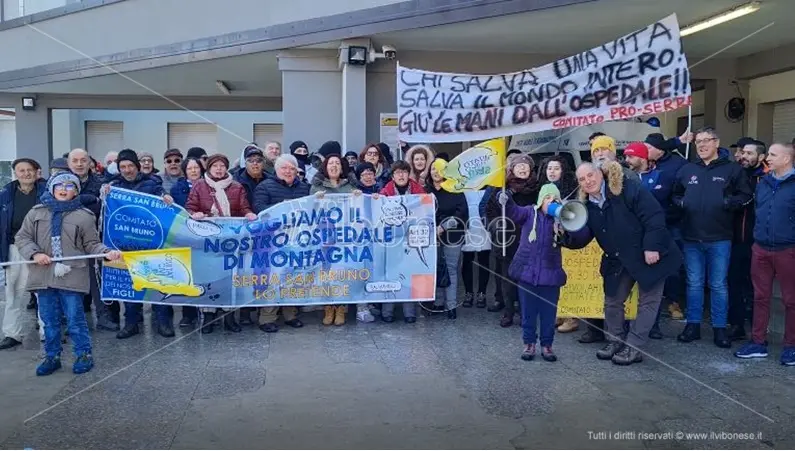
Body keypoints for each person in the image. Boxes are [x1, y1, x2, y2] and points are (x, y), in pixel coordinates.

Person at [15, 172, 122, 375]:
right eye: (59, 186)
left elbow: (91, 244)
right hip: (43, 274)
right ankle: (52, 356)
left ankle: (83, 354)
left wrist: (106, 253)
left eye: (70, 186)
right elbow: (23, 237)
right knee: (49, 320)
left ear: (76, 191)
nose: (64, 189)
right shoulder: (36, 212)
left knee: (75, 319)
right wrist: (35, 253)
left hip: (72, 274)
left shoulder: (84, 215)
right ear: (52, 189)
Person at [576, 161, 682, 365]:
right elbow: (583, 237)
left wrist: (652, 246)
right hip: (618, 258)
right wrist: (565, 233)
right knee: (612, 301)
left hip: (649, 254)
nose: (588, 181)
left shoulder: (627, 189)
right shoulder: (587, 206)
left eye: (590, 175)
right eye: (582, 179)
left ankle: (634, 347)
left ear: (600, 174)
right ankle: (615, 341)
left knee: (648, 302)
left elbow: (654, 215)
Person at [672, 127, 752, 348]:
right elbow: (675, 194)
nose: (702, 145)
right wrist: (682, 203)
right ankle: (693, 326)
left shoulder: (732, 169)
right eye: (698, 142)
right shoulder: (687, 169)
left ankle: (719, 329)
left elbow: (746, 195)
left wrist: (727, 203)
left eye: (707, 141)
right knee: (694, 283)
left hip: (720, 237)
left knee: (718, 285)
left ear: (717, 143)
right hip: (691, 237)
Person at [499, 183, 590, 362]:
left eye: (555, 199)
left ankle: (547, 345)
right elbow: (512, 211)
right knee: (528, 312)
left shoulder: (560, 220)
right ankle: (529, 344)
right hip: (527, 274)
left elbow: (580, 236)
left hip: (550, 275)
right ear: (541, 200)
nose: (551, 202)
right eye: (548, 198)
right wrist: (505, 199)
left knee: (549, 314)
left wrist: (566, 226)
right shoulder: (529, 213)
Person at [104, 149, 175, 339]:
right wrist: (105, 194)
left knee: (159, 282)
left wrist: (165, 197)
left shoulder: (152, 184)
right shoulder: (113, 186)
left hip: (152, 242)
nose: (127, 170)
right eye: (123, 167)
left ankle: (163, 322)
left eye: (130, 166)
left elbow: (161, 196)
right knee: (130, 285)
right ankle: (131, 323)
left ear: (137, 166)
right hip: (126, 244)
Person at [734, 143, 795, 365]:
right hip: (760, 248)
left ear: (786, 159)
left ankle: (791, 346)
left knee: (791, 300)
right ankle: (758, 342)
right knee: (760, 297)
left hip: (788, 249)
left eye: (772, 154)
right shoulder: (764, 183)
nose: (767, 157)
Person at [186, 154, 257, 334]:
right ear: (209, 168)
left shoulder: (237, 187)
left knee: (229, 277)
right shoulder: (199, 186)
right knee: (209, 277)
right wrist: (195, 214)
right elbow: (190, 208)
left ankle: (229, 316)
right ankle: (208, 316)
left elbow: (244, 208)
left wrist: (248, 214)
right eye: (215, 165)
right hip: (207, 242)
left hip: (230, 241)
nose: (219, 169)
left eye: (222, 165)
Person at [253, 154, 310, 333]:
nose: (288, 171)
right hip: (273, 241)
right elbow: (259, 208)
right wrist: (281, 209)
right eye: (284, 168)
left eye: (292, 168)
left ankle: (290, 314)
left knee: (293, 277)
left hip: (297, 240)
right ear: (276, 170)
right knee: (274, 279)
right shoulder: (265, 186)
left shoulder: (304, 188)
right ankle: (267, 317)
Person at [484, 154, 540, 327]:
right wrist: (497, 226)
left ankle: (525, 314)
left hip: (529, 242)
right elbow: (489, 212)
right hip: (506, 241)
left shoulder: (537, 189)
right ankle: (508, 313)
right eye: (518, 165)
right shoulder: (502, 189)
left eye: (525, 165)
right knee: (508, 280)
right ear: (511, 169)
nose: (523, 168)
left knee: (526, 281)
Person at [67, 148, 117, 331]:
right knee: (73, 282)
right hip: (69, 239)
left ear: (90, 163)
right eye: (75, 161)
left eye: (83, 160)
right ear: (69, 163)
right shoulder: (61, 182)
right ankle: (73, 321)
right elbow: (60, 201)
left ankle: (104, 316)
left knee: (98, 279)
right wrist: (88, 198)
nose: (79, 164)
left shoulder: (102, 182)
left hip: (95, 237)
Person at [0, 159, 47, 350]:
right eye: (21, 170)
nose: (26, 174)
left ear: (37, 172)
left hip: (40, 248)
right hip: (13, 248)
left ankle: (48, 331)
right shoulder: (5, 194)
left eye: (30, 170)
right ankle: (12, 333)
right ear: (15, 173)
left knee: (44, 292)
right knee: (13, 292)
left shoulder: (46, 191)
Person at [311, 154, 360, 326]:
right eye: (331, 163)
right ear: (325, 167)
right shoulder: (316, 186)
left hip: (344, 235)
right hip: (324, 235)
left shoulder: (349, 186)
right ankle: (328, 306)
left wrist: (358, 196)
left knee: (341, 271)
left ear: (342, 167)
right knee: (325, 270)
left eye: (337, 163)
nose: (334, 166)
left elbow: (358, 207)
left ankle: (340, 307)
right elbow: (310, 207)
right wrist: (316, 199)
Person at [645, 132, 689, 321]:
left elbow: (684, 192)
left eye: (649, 148)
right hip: (647, 225)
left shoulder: (679, 165)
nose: (645, 152)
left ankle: (673, 302)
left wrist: (677, 204)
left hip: (672, 223)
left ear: (659, 150)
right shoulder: (642, 164)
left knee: (673, 266)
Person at [728, 139, 768, 342]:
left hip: (761, 241)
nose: (744, 156)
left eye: (749, 153)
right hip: (736, 239)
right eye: (743, 152)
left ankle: (758, 331)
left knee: (757, 287)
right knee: (734, 282)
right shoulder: (735, 174)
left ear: (761, 157)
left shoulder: (768, 178)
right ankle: (736, 325)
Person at [379, 160, 425, 322]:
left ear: (408, 174)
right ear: (392, 176)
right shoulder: (385, 193)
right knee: (390, 274)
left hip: (411, 239)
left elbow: (426, 212)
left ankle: (409, 313)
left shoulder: (419, 191)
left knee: (408, 274)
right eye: (397, 172)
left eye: (404, 172)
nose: (401, 175)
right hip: (391, 240)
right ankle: (387, 313)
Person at [538, 155, 579, 333]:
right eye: (549, 168)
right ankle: (559, 313)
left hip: (567, 239)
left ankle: (572, 316)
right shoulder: (544, 189)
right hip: (549, 239)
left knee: (570, 278)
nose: (552, 171)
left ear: (563, 171)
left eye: (556, 168)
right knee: (555, 276)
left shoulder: (572, 191)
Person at [426, 158, 468, 319]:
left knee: (450, 269)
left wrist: (444, 226)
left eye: (439, 169)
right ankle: (437, 302)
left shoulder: (455, 188)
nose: (436, 172)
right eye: (433, 169)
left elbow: (462, 211)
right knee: (435, 269)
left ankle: (451, 305)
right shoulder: (426, 190)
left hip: (453, 235)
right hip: (431, 236)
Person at [170, 156, 204, 327]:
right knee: (187, 274)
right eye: (190, 168)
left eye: (196, 167)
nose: (193, 171)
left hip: (206, 236)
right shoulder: (177, 189)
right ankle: (188, 313)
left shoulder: (209, 185)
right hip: (185, 236)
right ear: (185, 171)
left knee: (205, 273)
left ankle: (206, 310)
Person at [461, 186, 491, 310]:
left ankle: (482, 293)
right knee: (467, 260)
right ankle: (469, 293)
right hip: (467, 224)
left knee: (484, 260)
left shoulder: (489, 184)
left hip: (484, 225)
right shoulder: (462, 182)